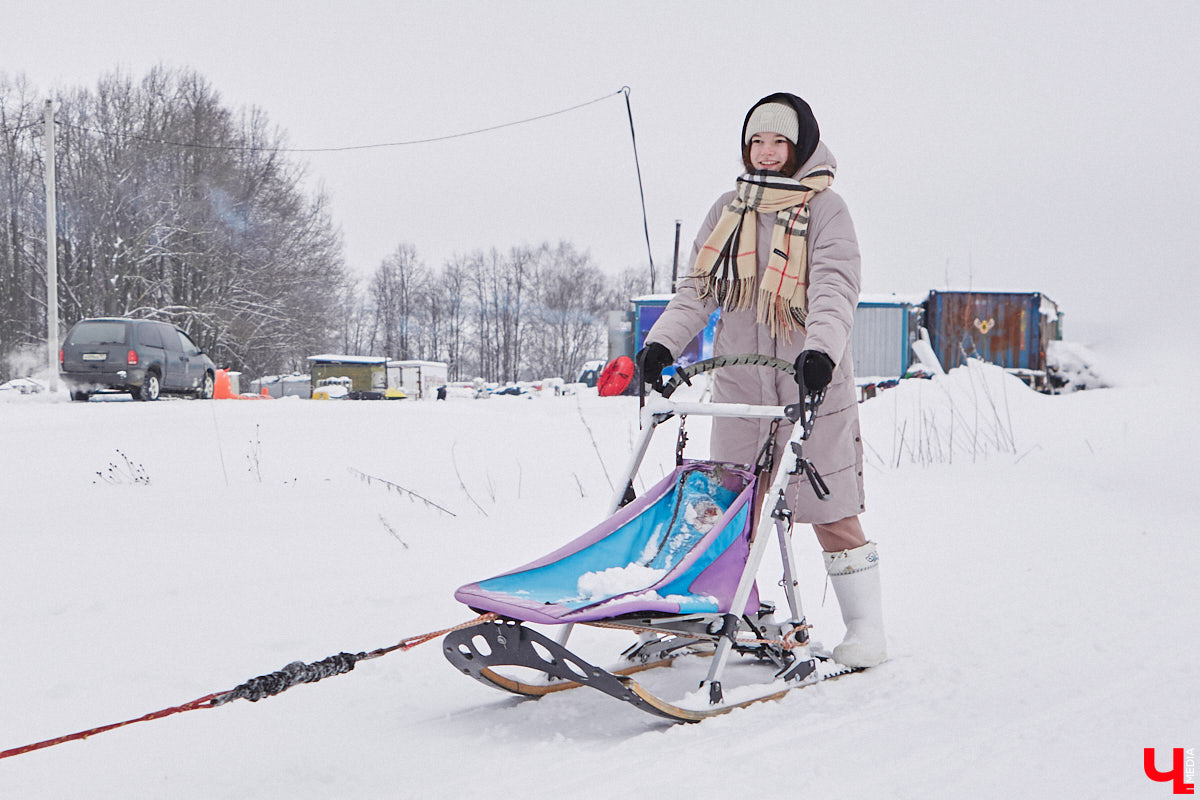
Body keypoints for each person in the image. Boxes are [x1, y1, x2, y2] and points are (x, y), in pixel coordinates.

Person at [637, 92, 886, 668]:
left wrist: (820, 350)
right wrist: (662, 344)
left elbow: (834, 286)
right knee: (729, 506)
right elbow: (698, 290)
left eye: (779, 141)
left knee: (829, 506)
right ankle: (727, 608)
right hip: (742, 386)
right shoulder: (729, 208)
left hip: (810, 381)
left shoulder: (827, 210)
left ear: (801, 147)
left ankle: (866, 629)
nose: (767, 152)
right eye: (757, 141)